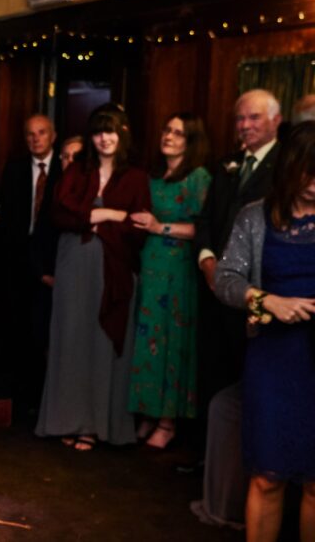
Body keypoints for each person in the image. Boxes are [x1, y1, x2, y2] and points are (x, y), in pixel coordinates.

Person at [214, 121, 315, 542]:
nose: (313, 184)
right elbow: (226, 278)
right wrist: (265, 300)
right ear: (289, 168)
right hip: (273, 359)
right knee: (266, 477)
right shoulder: (255, 217)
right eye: (307, 172)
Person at [35, 104, 150, 451]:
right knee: (70, 340)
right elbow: (59, 213)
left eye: (111, 130)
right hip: (73, 266)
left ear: (123, 133)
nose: (105, 138)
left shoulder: (136, 177)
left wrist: (96, 217)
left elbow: (139, 224)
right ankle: (66, 420)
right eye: (99, 131)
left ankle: (97, 425)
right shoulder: (77, 170)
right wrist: (105, 214)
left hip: (113, 270)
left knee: (102, 343)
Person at [195, 90, 281, 421]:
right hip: (214, 285)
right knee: (213, 371)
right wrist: (207, 260)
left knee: (245, 379)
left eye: (254, 117)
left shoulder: (283, 169)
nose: (244, 125)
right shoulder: (226, 165)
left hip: (254, 290)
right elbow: (205, 220)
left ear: (276, 120)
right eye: (239, 118)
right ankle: (210, 460)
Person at [127, 113, 211, 449]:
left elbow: (201, 228)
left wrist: (158, 227)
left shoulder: (198, 178)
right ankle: (148, 413)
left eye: (178, 133)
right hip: (149, 265)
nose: (169, 136)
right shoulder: (155, 175)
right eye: (167, 130)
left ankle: (168, 420)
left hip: (177, 270)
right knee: (147, 341)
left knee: (170, 342)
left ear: (191, 141)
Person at [0, 114, 61, 411]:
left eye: (42, 133)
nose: (36, 139)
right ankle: (18, 398)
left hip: (52, 264)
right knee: (16, 330)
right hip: (17, 263)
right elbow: (7, 222)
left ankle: (42, 399)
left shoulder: (66, 170)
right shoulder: (15, 170)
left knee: (45, 332)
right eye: (30, 134)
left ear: (53, 136)